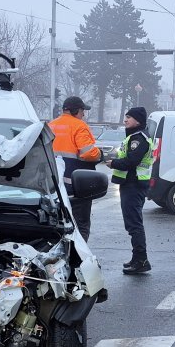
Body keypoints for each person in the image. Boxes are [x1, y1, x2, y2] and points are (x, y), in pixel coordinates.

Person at [105, 107, 153, 274]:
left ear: (138, 121)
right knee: (132, 224)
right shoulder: (134, 137)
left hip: (134, 185)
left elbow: (131, 161)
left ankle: (141, 261)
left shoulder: (139, 139)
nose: (125, 120)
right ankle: (137, 258)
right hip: (131, 184)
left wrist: (113, 164)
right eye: (125, 116)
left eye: (129, 117)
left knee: (134, 225)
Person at [48, 96, 102, 242]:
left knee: (57, 224)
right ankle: (79, 258)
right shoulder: (79, 125)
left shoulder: (50, 126)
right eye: (82, 110)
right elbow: (89, 153)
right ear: (76, 110)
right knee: (80, 224)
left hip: (54, 186)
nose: (83, 114)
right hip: (77, 186)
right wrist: (100, 154)